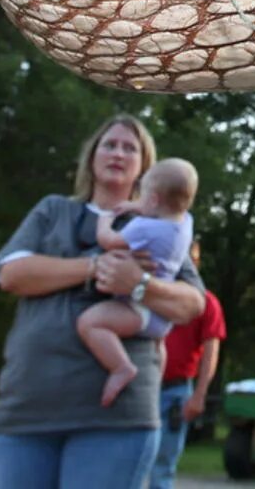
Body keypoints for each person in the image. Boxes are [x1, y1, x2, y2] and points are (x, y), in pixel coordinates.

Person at [0, 114, 205, 489]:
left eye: (130, 148)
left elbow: (191, 305)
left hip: (116, 419)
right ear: (91, 156)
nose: (118, 153)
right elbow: (12, 274)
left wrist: (139, 284)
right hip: (27, 409)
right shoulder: (53, 210)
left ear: (144, 168)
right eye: (110, 144)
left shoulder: (161, 227)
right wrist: (93, 267)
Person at [77, 158, 197, 407]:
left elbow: (109, 240)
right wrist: (138, 205)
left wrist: (105, 218)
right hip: (162, 315)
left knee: (89, 323)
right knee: (157, 347)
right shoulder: (185, 223)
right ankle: (156, 382)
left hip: (137, 308)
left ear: (153, 200)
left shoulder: (142, 227)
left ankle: (121, 367)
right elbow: (162, 210)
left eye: (143, 195)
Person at [149, 240, 226, 489]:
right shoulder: (149, 291)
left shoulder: (206, 302)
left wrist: (199, 395)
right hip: (142, 386)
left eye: (188, 259)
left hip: (174, 392)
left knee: (163, 466)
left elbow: (211, 352)